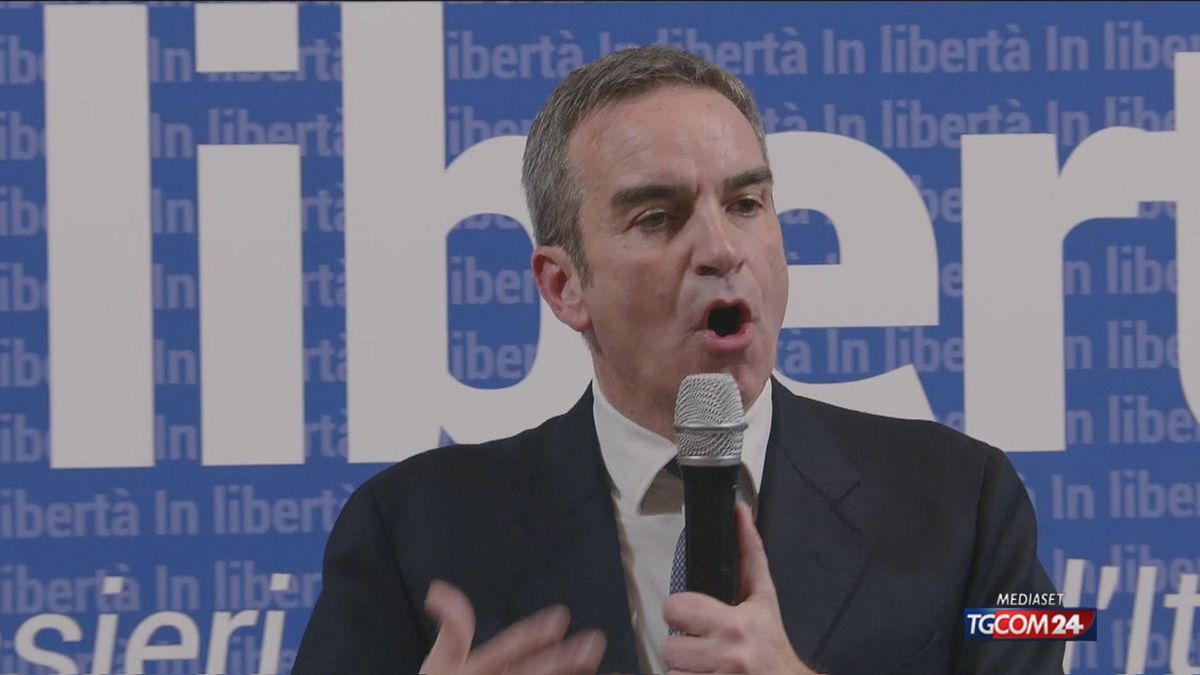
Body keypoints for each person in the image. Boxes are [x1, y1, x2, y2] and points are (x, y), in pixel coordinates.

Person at [294, 45, 1064, 675]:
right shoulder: (407, 531)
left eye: (745, 204)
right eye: (658, 217)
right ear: (564, 286)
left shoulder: (968, 501)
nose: (722, 249)